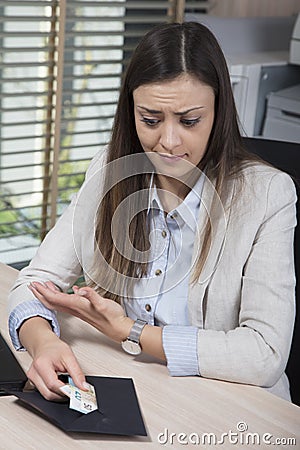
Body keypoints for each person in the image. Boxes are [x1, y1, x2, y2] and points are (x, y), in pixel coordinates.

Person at [8, 21, 297, 402]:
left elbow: (265, 355)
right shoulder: (108, 171)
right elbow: (35, 279)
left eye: (190, 121)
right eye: (150, 120)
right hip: (137, 388)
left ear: (219, 112)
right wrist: (42, 340)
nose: (169, 142)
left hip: (232, 407)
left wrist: (128, 331)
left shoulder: (267, 195)